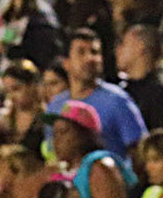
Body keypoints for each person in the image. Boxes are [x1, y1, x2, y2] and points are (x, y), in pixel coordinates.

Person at [46, 29, 147, 158]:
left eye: (94, 52)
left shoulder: (117, 100)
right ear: (66, 63)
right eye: (81, 52)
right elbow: (52, 152)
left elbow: (139, 151)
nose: (89, 58)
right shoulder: (55, 106)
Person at [117, 22, 163, 131]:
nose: (118, 49)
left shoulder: (157, 96)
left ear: (139, 46)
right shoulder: (120, 89)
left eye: (123, 43)